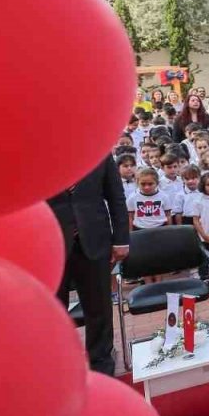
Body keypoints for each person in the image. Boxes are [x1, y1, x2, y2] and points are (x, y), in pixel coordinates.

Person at [48, 156, 130, 376]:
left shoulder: (98, 148)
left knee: (98, 308)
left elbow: (116, 196)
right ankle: (59, 365)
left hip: (95, 239)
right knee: (53, 311)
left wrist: (121, 238)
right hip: (49, 243)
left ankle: (101, 363)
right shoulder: (37, 151)